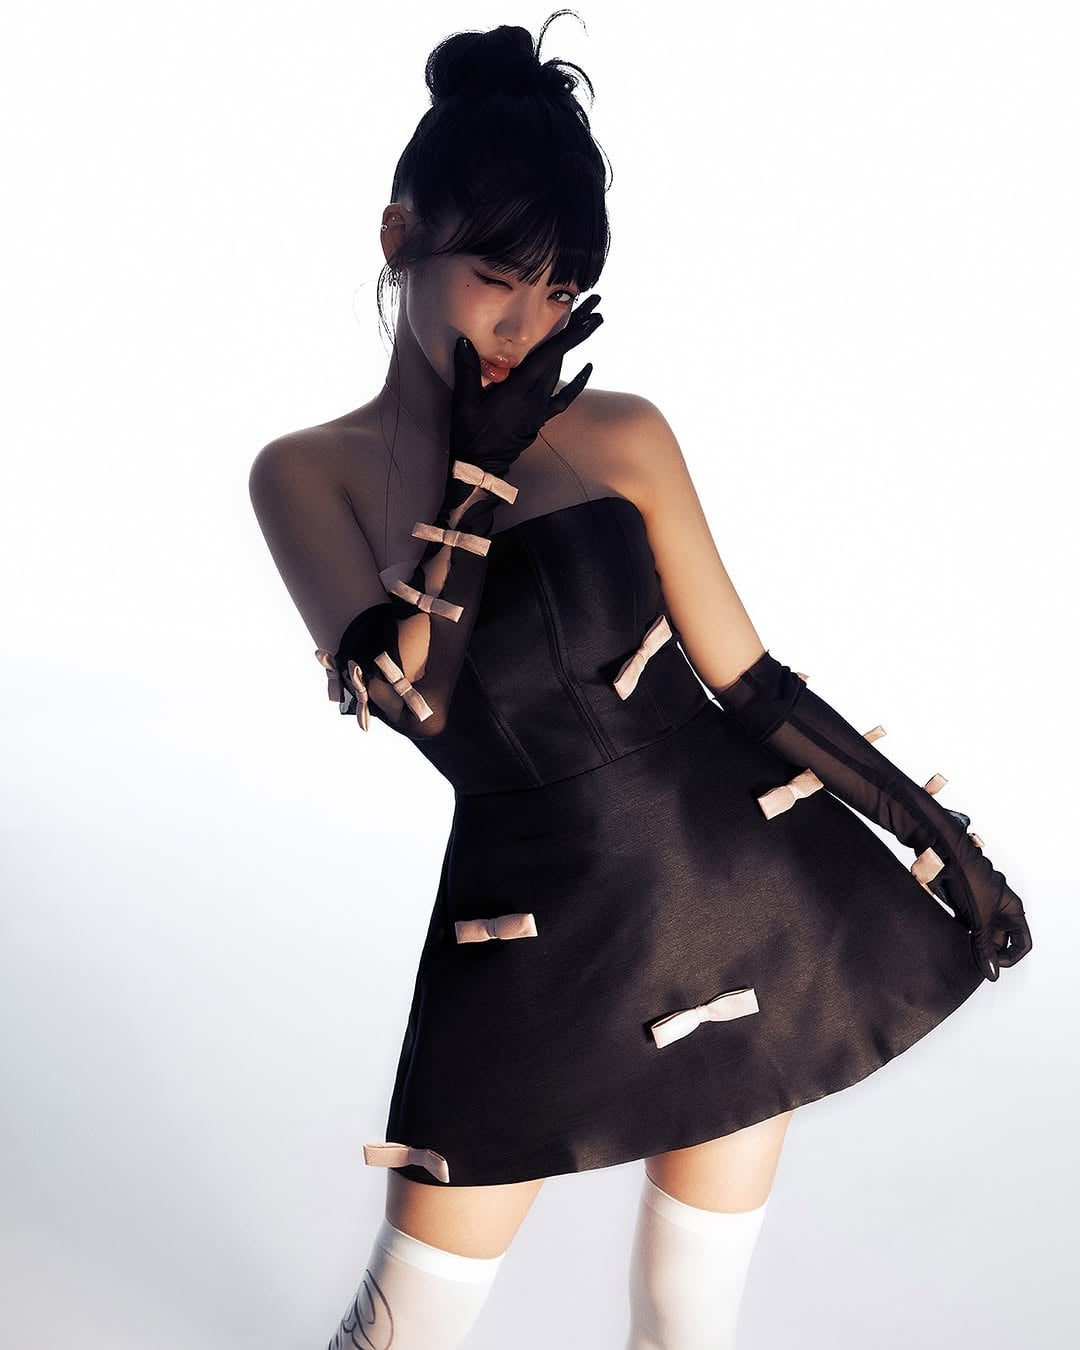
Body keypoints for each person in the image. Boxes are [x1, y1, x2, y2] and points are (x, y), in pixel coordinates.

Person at [247, 13, 1032, 1349]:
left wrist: (936, 831)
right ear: (398, 238)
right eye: (498, 278)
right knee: (399, 1326)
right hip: (522, 941)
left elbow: (752, 684)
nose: (526, 325)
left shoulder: (624, 432)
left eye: (559, 294)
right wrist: (475, 480)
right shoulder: (305, 473)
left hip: (732, 901)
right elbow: (413, 698)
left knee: (688, 1316)